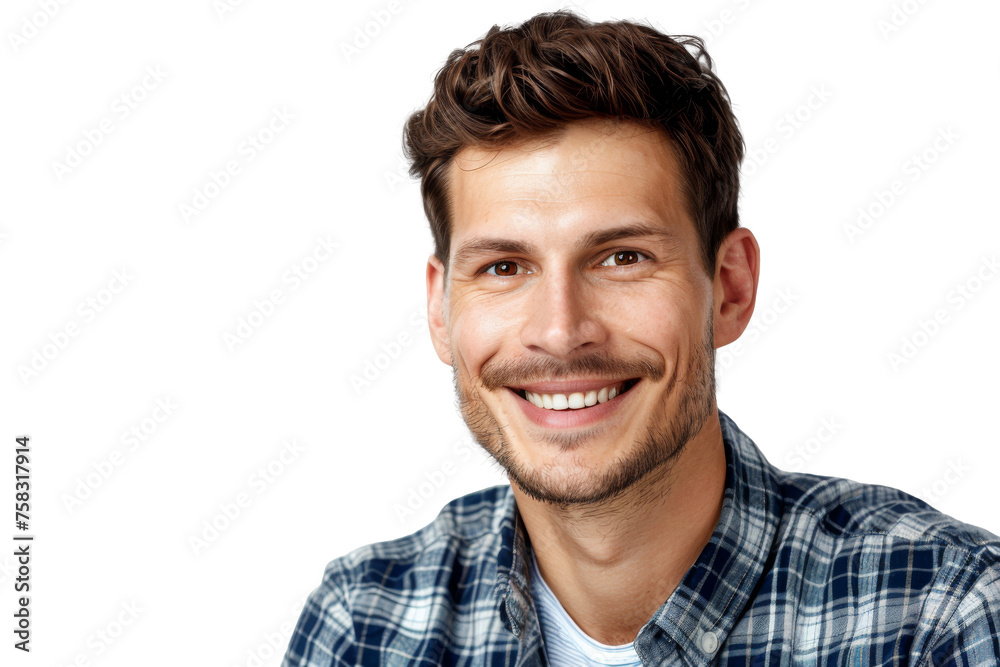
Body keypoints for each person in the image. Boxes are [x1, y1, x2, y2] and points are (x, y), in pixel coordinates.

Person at [282, 10, 1000, 666]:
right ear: (441, 309)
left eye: (622, 257)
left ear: (730, 287)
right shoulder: (365, 625)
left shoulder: (939, 614)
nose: (561, 331)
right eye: (504, 266)